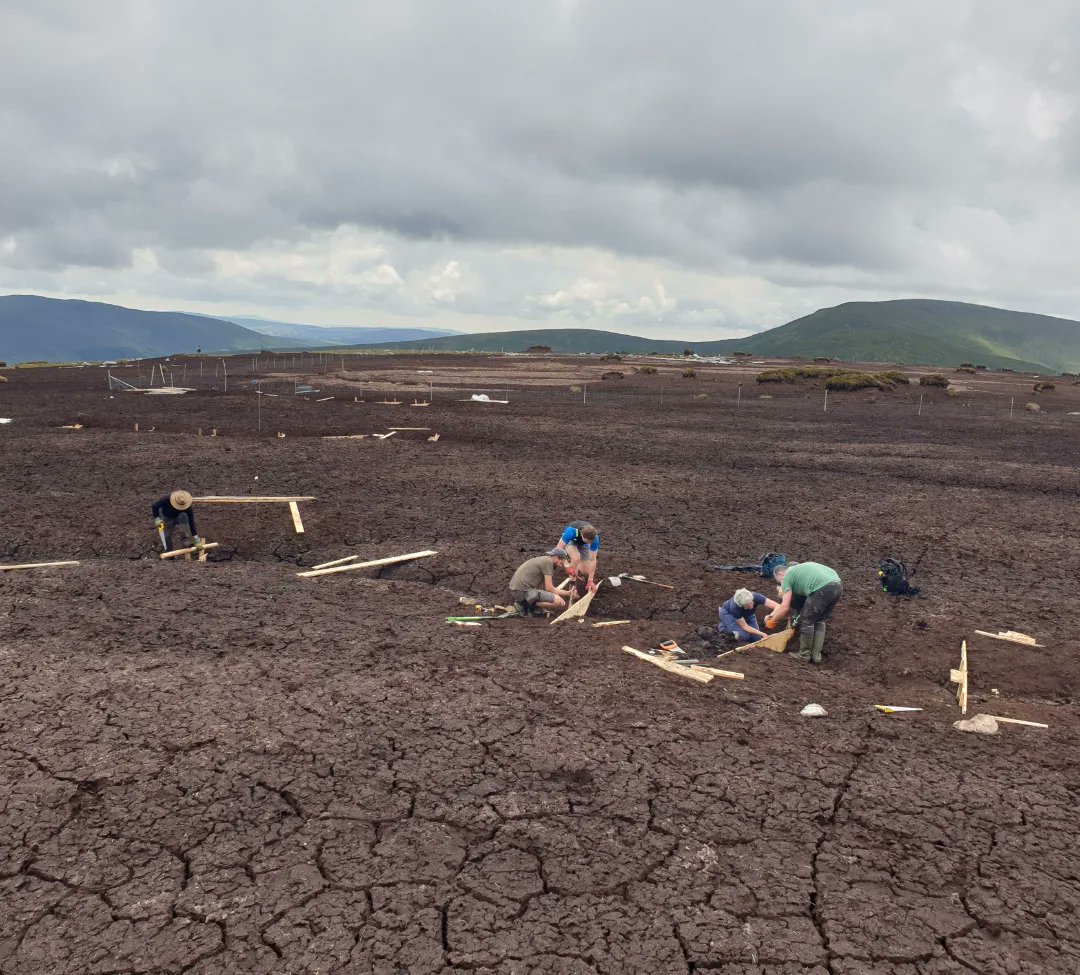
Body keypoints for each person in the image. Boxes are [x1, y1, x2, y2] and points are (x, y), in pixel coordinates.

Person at [765, 561, 843, 664]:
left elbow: (784, 607)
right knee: (819, 620)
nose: (780, 584)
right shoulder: (799, 571)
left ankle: (803, 655)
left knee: (807, 622)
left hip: (822, 587)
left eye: (778, 581)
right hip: (837, 585)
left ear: (780, 574)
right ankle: (816, 656)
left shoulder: (787, 577)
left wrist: (772, 622)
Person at [509, 549, 576, 618]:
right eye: (561, 563)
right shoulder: (548, 562)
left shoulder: (544, 560)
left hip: (517, 590)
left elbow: (547, 588)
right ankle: (524, 605)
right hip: (523, 592)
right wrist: (558, 598)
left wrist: (567, 593)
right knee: (560, 602)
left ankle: (525, 603)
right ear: (556, 558)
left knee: (555, 599)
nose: (561, 566)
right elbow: (549, 587)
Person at [556, 521, 600, 590]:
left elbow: (593, 560)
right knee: (576, 558)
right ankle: (572, 585)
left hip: (582, 544)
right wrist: (567, 565)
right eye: (587, 541)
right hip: (571, 540)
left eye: (590, 542)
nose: (589, 543)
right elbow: (558, 549)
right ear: (582, 535)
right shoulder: (571, 531)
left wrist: (590, 580)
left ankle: (576, 569)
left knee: (586, 572)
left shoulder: (594, 539)